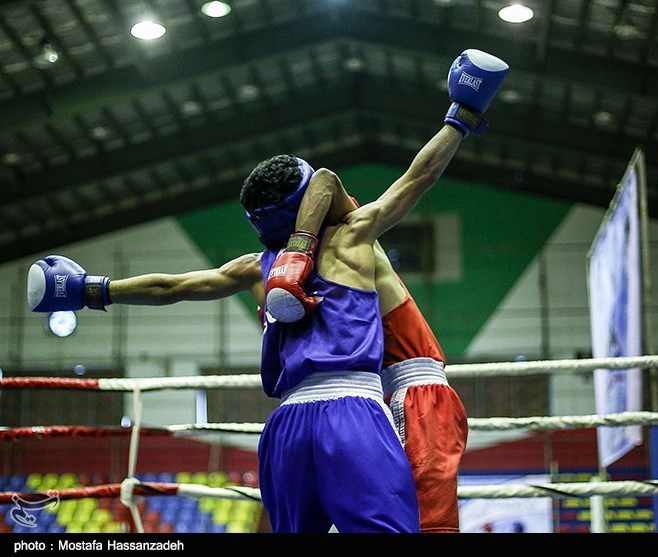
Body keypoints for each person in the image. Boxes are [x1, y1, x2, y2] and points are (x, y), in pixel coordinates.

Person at [26, 49, 508, 533]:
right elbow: (410, 178)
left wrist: (91, 289)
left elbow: (169, 286)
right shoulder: (351, 238)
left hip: (285, 423)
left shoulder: (252, 269)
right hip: (355, 409)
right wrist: (460, 117)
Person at [269, 170, 469, 533]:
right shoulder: (340, 254)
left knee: (425, 523)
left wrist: (298, 248)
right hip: (391, 396)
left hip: (411, 397)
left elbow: (326, 180)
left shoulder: (355, 235)